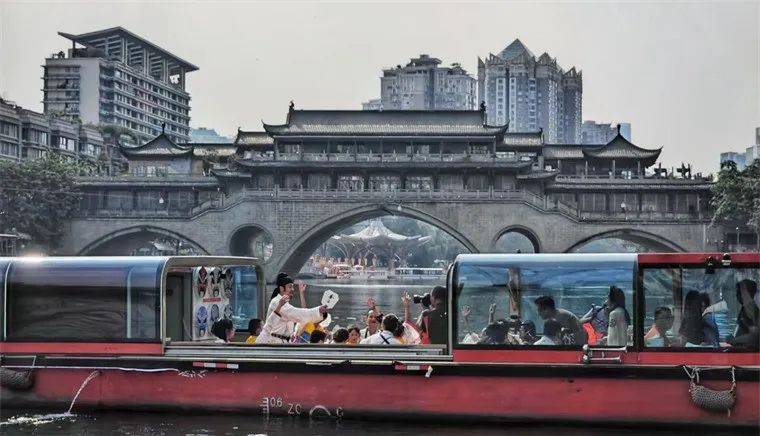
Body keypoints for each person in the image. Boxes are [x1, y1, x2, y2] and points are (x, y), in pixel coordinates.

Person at [256, 273, 328, 344]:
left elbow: (299, 315)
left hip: (282, 343)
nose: (293, 289)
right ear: (281, 288)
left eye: (292, 287)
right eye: (290, 287)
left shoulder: (284, 304)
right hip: (273, 343)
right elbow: (298, 314)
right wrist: (318, 310)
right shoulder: (277, 302)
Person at [729, 279, 759, 350]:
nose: (737, 295)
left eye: (739, 292)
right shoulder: (745, 308)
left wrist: (734, 340)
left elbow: (754, 336)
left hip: (748, 351)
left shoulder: (750, 310)